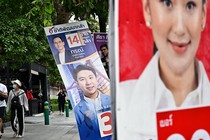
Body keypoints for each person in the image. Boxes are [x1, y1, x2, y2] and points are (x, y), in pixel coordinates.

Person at [119, 0, 209, 139]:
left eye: (190, 5)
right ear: (148, 9)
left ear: (203, 14)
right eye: (167, 3)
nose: (179, 29)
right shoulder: (121, 101)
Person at [73, 65, 111, 140]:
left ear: (96, 79)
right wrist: (86, 123)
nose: (88, 82)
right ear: (77, 84)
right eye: (82, 79)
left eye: (91, 77)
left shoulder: (111, 100)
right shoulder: (77, 110)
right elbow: (83, 134)